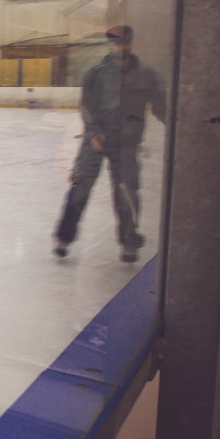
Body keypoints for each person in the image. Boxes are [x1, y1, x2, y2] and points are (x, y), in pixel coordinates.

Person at [53, 25, 167, 263]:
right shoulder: (95, 74)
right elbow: (86, 105)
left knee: (127, 193)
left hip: (126, 144)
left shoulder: (146, 75)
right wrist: (93, 132)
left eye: (124, 43)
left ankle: (128, 240)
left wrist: (179, 127)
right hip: (95, 142)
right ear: (109, 45)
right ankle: (64, 237)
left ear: (131, 43)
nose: (120, 48)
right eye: (115, 44)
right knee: (80, 187)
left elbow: (161, 106)